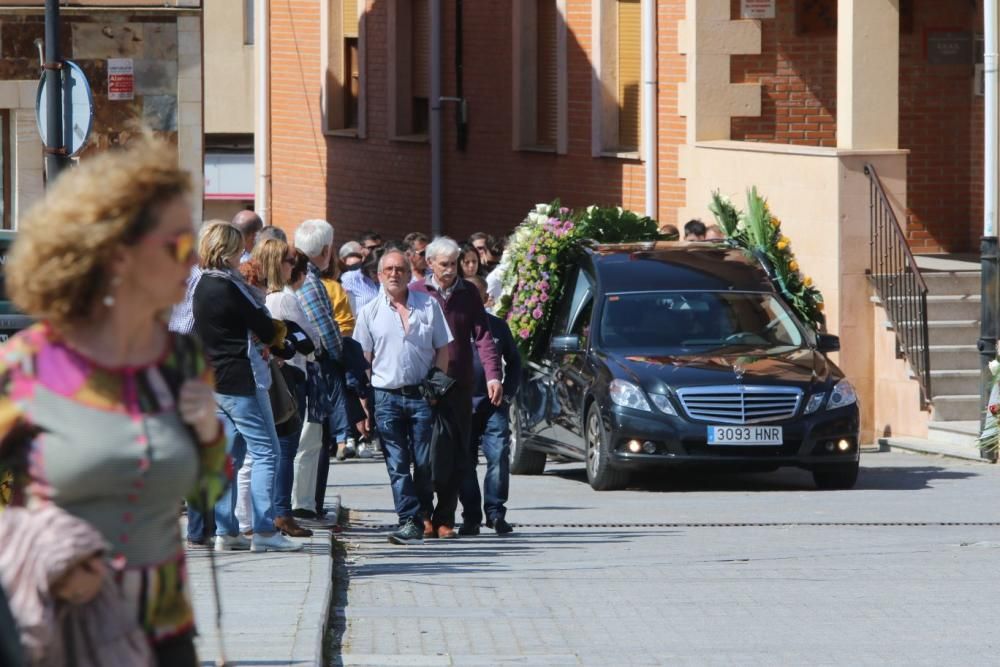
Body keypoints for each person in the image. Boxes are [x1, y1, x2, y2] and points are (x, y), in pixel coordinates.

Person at [0, 136, 229, 664]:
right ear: (119, 254)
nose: (192, 260)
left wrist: (209, 436)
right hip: (61, 635)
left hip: (166, 636)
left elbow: (209, 488)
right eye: (176, 245)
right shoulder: (30, 367)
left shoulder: (182, 363)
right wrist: (46, 558)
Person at [193, 222, 303, 553]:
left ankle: (227, 531)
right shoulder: (229, 287)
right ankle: (266, 530)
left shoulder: (200, 285)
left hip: (213, 380)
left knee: (230, 456)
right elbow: (264, 325)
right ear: (226, 250)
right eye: (238, 247)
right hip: (241, 379)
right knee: (268, 451)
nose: (242, 254)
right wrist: (281, 340)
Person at [353, 248, 453, 545]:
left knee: (424, 462)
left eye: (400, 270)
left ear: (410, 275)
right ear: (379, 276)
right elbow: (364, 359)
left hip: (422, 395)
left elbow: (442, 350)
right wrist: (365, 403)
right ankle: (408, 519)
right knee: (397, 463)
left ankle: (423, 512)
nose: (394, 274)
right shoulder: (369, 312)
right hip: (386, 396)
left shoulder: (428, 305)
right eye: (389, 270)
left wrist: (435, 390)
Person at [412, 237, 503, 538]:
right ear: (430, 264)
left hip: (459, 386)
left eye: (454, 264)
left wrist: (493, 376)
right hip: (426, 385)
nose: (451, 270)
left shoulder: (468, 294)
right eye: (444, 264)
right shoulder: (416, 293)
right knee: (425, 454)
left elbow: (484, 337)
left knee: (455, 454)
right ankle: (423, 513)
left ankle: (445, 518)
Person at [255, 239, 319, 538]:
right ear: (275, 263)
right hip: (290, 375)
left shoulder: (256, 296)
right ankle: (281, 512)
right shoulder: (283, 299)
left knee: (271, 448)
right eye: (289, 261)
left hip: (270, 375)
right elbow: (310, 339)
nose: (294, 266)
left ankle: (273, 512)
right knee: (286, 448)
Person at [293, 219, 349, 519]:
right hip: (313, 370)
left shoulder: (296, 275)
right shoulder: (311, 281)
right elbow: (327, 337)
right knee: (311, 440)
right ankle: (304, 504)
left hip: (298, 368)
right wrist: (343, 355)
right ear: (326, 249)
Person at [458, 276, 520, 535]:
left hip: (494, 405)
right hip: (463, 406)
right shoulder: (454, 327)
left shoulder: (497, 327)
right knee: (464, 462)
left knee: (498, 458)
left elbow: (515, 363)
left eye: (478, 295)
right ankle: (471, 516)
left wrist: (507, 395)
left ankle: (495, 514)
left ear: (486, 298)